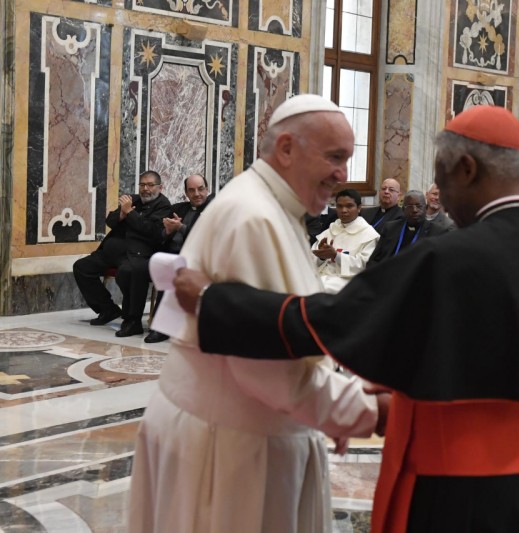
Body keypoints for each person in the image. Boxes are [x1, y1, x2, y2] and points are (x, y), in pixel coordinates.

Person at [172, 104, 519, 533]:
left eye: (442, 177)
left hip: (456, 493)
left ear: (466, 168)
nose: (441, 195)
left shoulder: (447, 258)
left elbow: (325, 321)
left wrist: (213, 300)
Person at [128, 95, 385, 533]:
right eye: (335, 157)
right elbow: (266, 367)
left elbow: (286, 320)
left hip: (246, 436)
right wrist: (363, 410)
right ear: (286, 149)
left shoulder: (274, 205)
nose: (344, 175)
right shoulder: (252, 216)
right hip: (231, 451)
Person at [73, 170, 172, 337]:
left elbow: (150, 230)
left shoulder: (164, 206)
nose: (145, 189)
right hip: (110, 253)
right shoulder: (132, 200)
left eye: (150, 185)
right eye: (142, 185)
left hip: (136, 254)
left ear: (160, 187)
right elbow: (110, 220)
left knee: (128, 272)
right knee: (82, 267)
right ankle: (107, 309)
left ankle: (132, 321)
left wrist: (130, 213)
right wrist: (121, 213)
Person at [145, 175, 215, 343]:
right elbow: (159, 235)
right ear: (186, 193)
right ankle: (144, 321)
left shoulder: (214, 210)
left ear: (207, 189)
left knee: (173, 271)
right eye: (191, 190)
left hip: (200, 260)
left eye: (200, 189)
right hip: (173, 255)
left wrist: (181, 227)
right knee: (151, 266)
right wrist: (168, 231)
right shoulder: (178, 208)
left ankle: (162, 328)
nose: (196, 194)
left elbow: (205, 238)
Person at [312, 188, 380, 293]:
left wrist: (336, 256)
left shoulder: (369, 234)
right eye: (339, 206)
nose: (343, 210)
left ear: (359, 208)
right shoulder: (330, 230)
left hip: (347, 281)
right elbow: (310, 259)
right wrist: (321, 257)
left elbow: (364, 265)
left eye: (349, 206)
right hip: (321, 276)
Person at [367, 190, 450, 266]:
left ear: (425, 208)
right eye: (410, 206)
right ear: (403, 209)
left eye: (419, 206)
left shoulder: (437, 232)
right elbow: (373, 260)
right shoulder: (390, 228)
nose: (414, 210)